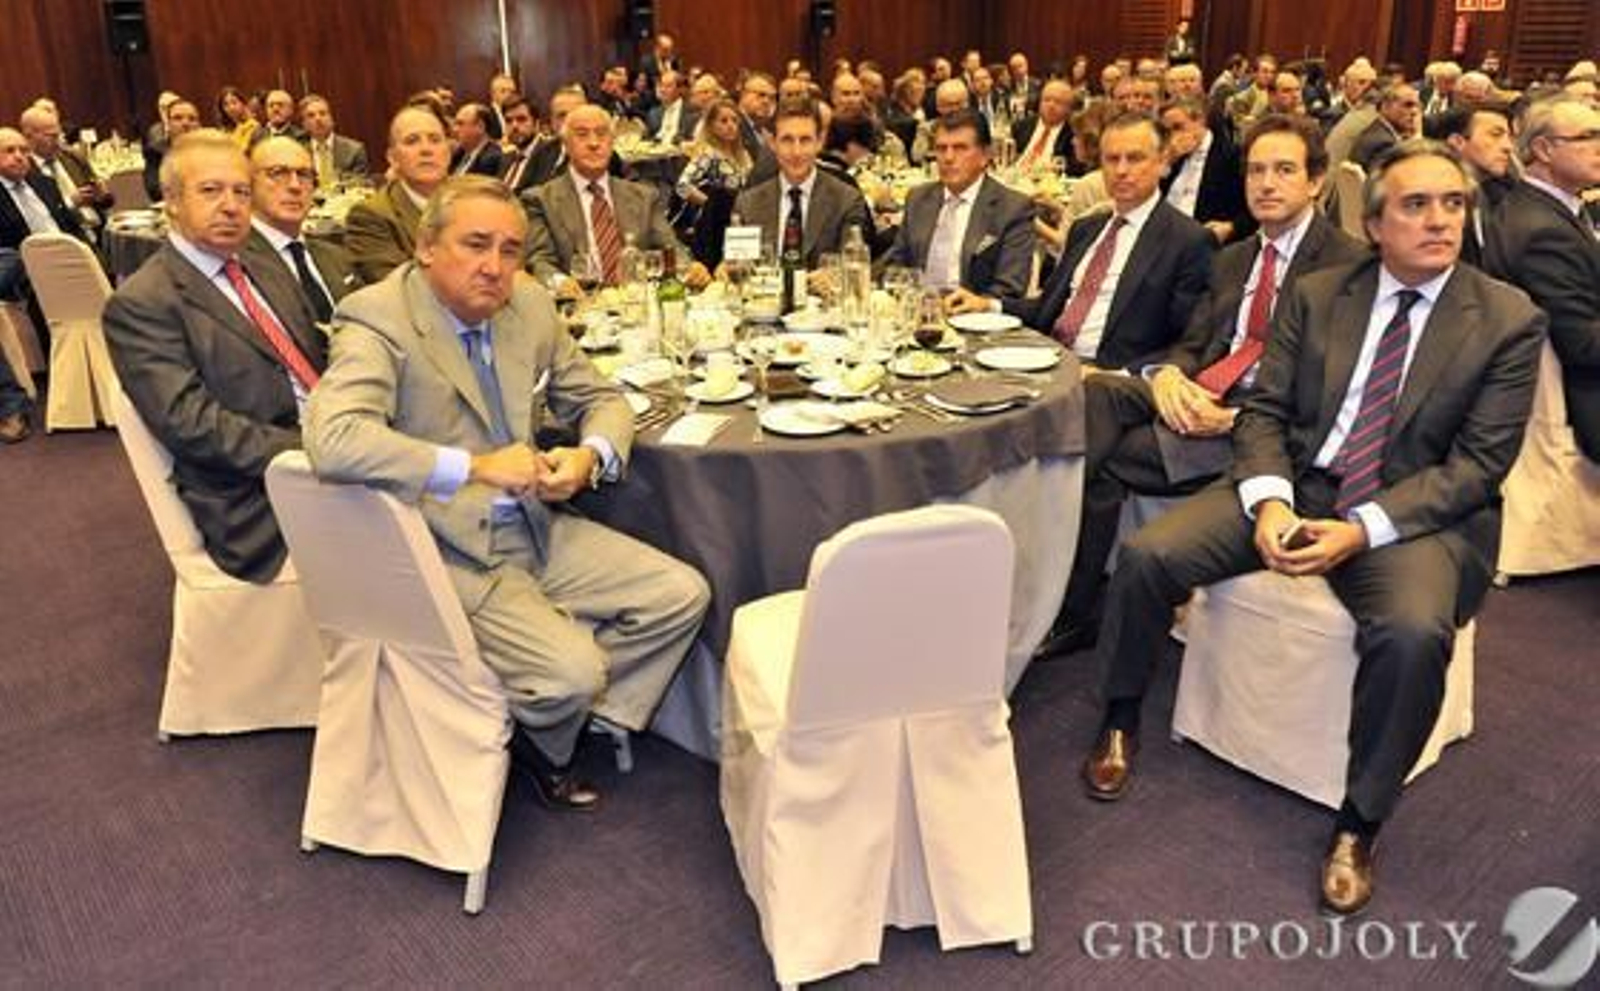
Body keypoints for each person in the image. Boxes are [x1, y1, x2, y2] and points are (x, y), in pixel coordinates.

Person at [1079, 141, 1545, 916]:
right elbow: (1265, 412)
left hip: (1410, 514)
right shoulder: (1321, 293)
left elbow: (1476, 468)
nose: (1439, 220)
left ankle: (1360, 821)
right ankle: (1119, 715)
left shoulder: (1506, 318)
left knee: (1411, 632)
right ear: (1375, 224)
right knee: (1146, 554)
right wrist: (1269, 501)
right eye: (1416, 205)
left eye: (1452, 204)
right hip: (1298, 483)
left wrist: (1361, 530)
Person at [304, 176, 709, 811]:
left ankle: (553, 725)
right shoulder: (379, 318)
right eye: (475, 244)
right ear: (426, 247)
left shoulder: (529, 305)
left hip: (536, 521)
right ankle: (556, 719)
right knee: (573, 671)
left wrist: (589, 456)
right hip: (447, 544)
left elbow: (601, 398)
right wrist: (473, 467)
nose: (495, 267)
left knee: (680, 596)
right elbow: (334, 439)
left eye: (510, 250)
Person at [1043, 114, 1369, 656]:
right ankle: (1074, 598)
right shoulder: (1234, 258)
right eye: (1257, 171)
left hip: (1261, 425)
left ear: (1315, 181)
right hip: (1202, 394)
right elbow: (1194, 341)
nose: (1266, 184)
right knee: (1100, 394)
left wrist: (1240, 417)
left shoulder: (1349, 265)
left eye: (1284, 170)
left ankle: (1073, 606)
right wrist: (1169, 374)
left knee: (1103, 457)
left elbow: (1337, 389)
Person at [102, 130, 326, 582]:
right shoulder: (143, 303)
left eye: (241, 192)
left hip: (328, 442)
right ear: (171, 201)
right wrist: (316, 448)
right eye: (210, 190)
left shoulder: (266, 267)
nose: (231, 206)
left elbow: (317, 358)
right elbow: (193, 426)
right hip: (259, 495)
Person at [949, 112, 1212, 372]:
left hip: (1109, 375)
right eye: (1111, 159)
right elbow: (1047, 308)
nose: (1121, 170)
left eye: (1134, 158)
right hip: (1047, 359)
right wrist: (987, 305)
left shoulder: (1187, 241)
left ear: (1163, 162)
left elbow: (1187, 343)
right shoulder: (1086, 229)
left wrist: (1118, 377)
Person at [1484, 96, 1600, 461]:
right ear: (1544, 150)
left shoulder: (1534, 205)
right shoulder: (1543, 233)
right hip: (1577, 406)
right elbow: (1584, 345)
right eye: (1589, 136)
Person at [523, 105, 708, 293]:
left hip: (637, 300)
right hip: (580, 301)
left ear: (612, 143)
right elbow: (539, 261)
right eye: (582, 135)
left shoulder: (643, 196)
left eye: (601, 134)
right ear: (566, 145)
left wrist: (689, 267)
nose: (594, 143)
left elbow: (671, 248)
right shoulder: (541, 200)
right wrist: (559, 281)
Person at [882, 109, 1033, 297]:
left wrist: (976, 304)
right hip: (916, 306)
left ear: (985, 155)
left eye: (960, 148)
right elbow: (896, 266)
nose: (948, 158)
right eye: (941, 148)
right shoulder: (918, 199)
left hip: (974, 311)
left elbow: (1010, 287)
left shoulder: (1013, 208)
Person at [732, 98, 870, 272]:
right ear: (773, 144)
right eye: (787, 140)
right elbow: (738, 264)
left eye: (805, 140)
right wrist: (728, 268)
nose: (796, 152)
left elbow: (853, 264)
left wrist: (832, 275)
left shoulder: (846, 200)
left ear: (819, 142)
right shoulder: (748, 204)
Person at [247, 137, 356, 324]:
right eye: (278, 173)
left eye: (304, 174)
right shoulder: (235, 261)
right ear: (249, 183)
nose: (295, 186)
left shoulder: (336, 255)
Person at [345, 106, 450, 285]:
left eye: (435, 140)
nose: (426, 149)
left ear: (448, 152)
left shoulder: (477, 200)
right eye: (412, 141)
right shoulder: (370, 216)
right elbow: (403, 287)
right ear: (393, 158)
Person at [1158, 96, 1249, 244]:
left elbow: (1251, 212)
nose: (1174, 136)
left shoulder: (1232, 156)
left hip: (1205, 240)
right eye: (1167, 131)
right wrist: (1168, 160)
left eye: (1178, 127)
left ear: (1199, 120)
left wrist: (1231, 227)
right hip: (1165, 236)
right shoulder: (1170, 158)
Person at [1433, 103, 1515, 265]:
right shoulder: (1440, 202)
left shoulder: (1488, 193)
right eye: (1496, 135)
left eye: (1510, 137)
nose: (1508, 147)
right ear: (1457, 142)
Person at [20, 104, 113, 242]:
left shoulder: (72, 157)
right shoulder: (24, 172)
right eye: (51, 136)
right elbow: (36, 219)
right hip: (64, 239)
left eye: (59, 134)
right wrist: (70, 203)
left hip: (99, 230)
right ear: (29, 137)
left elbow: (107, 202)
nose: (58, 141)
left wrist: (101, 195)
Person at [300, 95, 369, 188]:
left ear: (332, 118)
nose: (318, 119)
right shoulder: (298, 152)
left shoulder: (354, 150)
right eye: (311, 116)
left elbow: (360, 184)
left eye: (323, 113)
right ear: (304, 124)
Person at [1012, 79, 1078, 174]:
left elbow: (1073, 169)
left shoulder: (1073, 134)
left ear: (1069, 108)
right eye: (1046, 100)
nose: (1051, 106)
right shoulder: (1021, 126)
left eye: (1058, 102)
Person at [1350, 83, 1421, 170]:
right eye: (1407, 105)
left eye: (1417, 106)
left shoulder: (1377, 130)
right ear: (1386, 107)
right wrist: (1417, 139)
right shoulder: (1384, 144)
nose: (1414, 111)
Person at [142, 99, 202, 202]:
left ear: (199, 125)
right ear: (168, 124)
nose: (185, 123)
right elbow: (154, 190)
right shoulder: (156, 151)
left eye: (192, 119)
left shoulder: (210, 150)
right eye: (178, 118)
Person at [450, 104, 504, 177]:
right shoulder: (458, 153)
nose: (454, 129)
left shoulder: (491, 159)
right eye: (455, 124)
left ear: (480, 127)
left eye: (460, 124)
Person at [646, 70, 697, 145]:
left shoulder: (692, 112)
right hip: (655, 150)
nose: (663, 90)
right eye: (661, 85)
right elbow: (648, 138)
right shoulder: (653, 113)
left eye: (668, 86)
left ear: (679, 89)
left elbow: (691, 140)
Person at [216, 86, 259, 150]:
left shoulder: (253, 126)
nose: (231, 108)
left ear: (243, 103)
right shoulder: (224, 130)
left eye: (234, 102)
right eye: (226, 104)